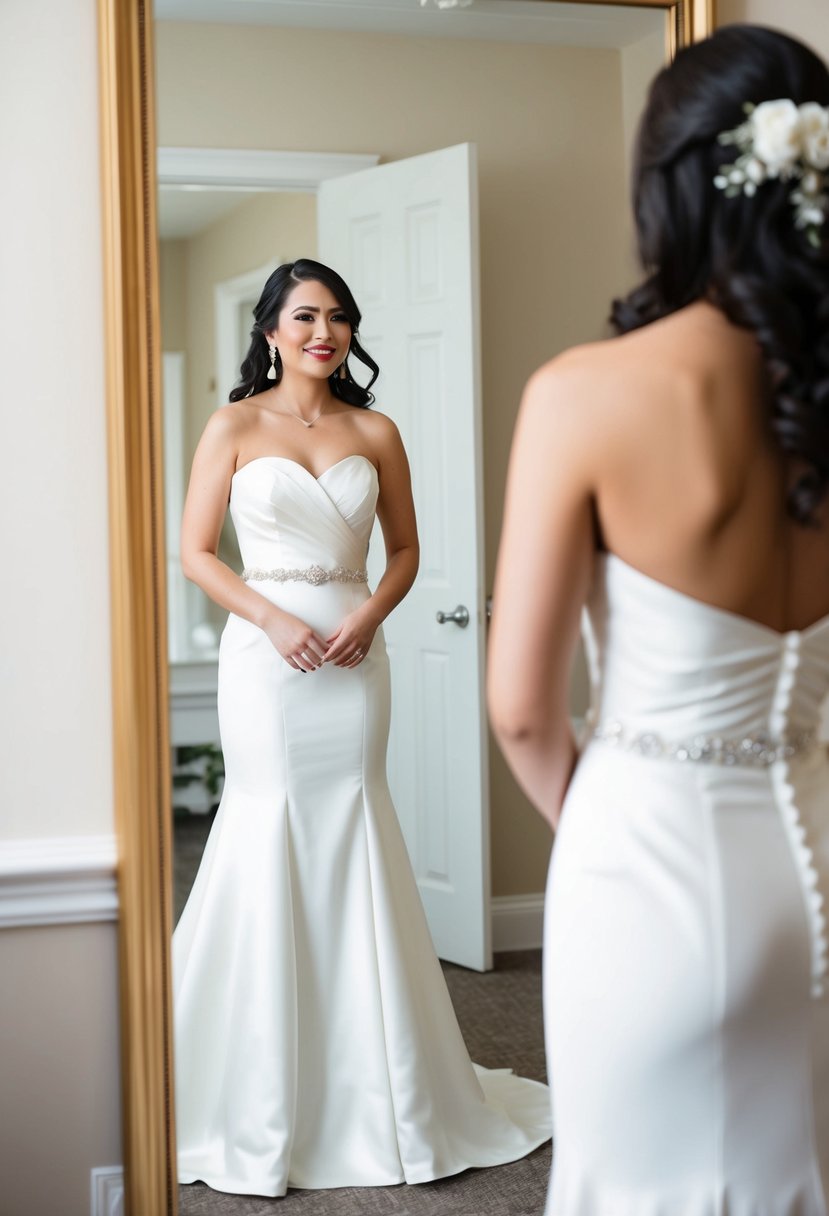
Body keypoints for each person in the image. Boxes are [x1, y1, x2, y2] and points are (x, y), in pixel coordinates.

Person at [488, 25, 829, 1216]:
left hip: (643, 867)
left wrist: (602, 829)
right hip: (811, 871)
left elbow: (522, 710)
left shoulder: (587, 392)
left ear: (672, 182)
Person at [172, 258, 551, 1197]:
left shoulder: (374, 429)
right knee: (268, 821)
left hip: (352, 659)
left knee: (353, 822)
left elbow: (409, 548)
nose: (323, 333)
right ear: (269, 330)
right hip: (267, 659)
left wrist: (368, 616)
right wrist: (272, 619)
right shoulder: (232, 425)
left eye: (337, 318)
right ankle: (252, 1084)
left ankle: (377, 1078)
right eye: (304, 317)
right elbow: (192, 551)